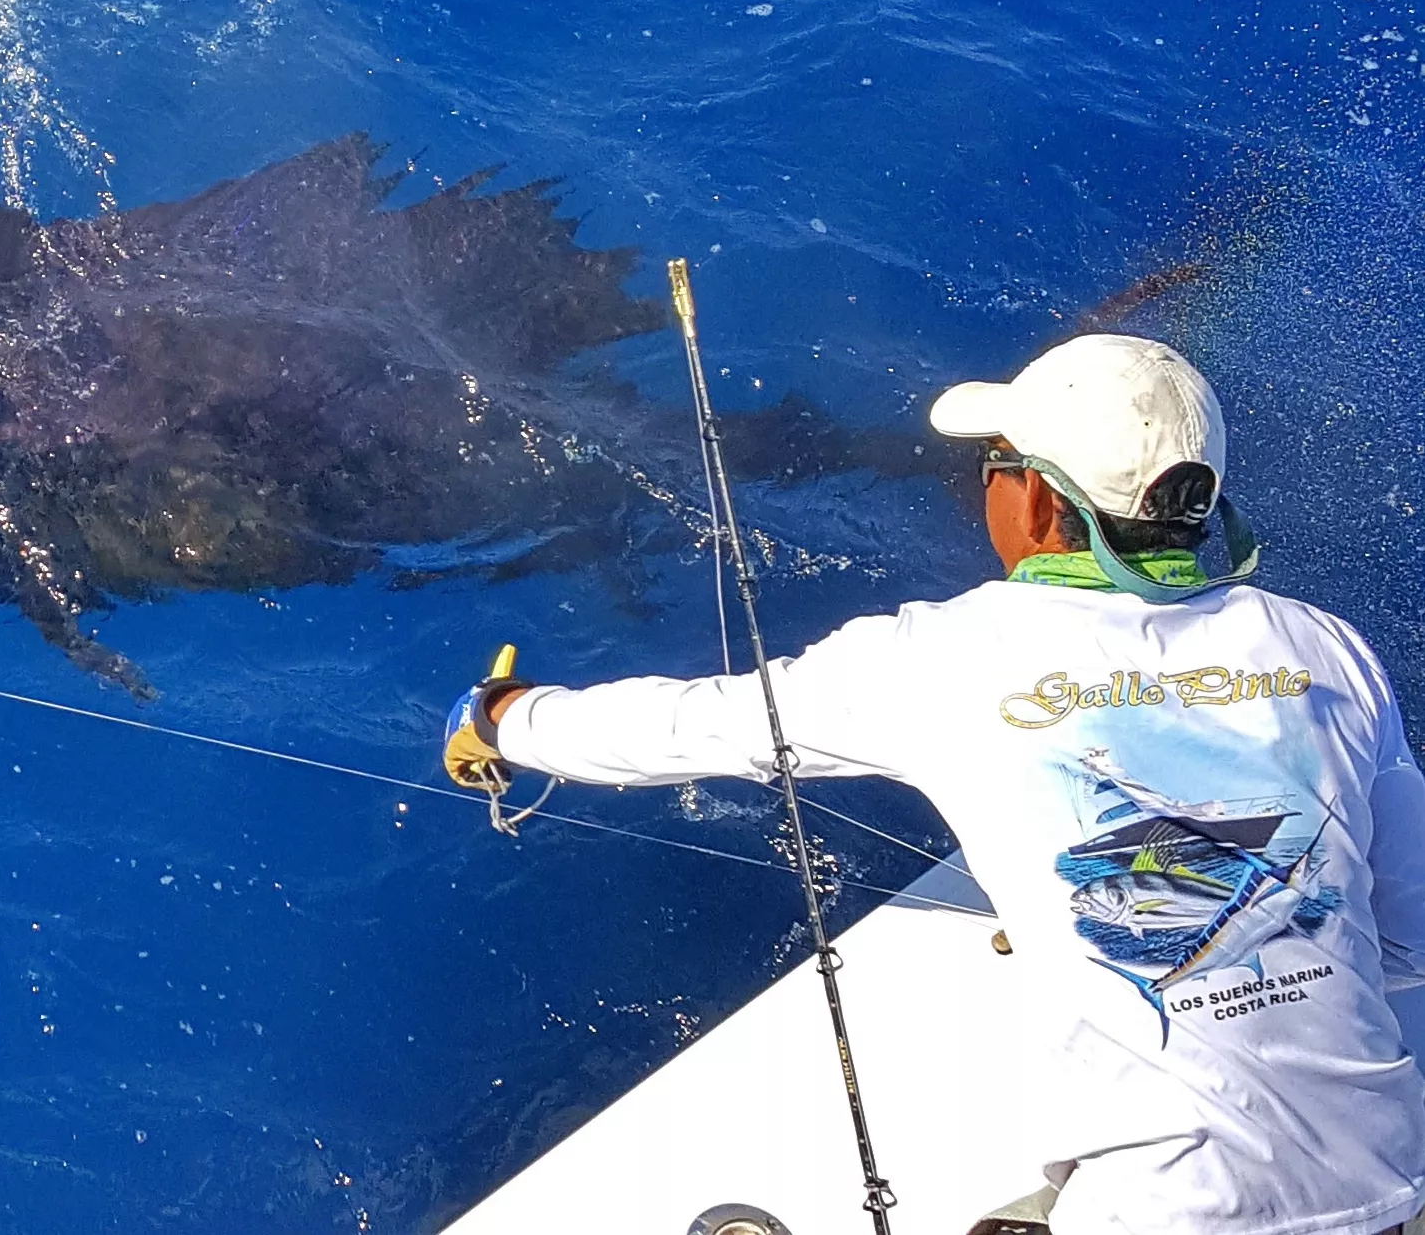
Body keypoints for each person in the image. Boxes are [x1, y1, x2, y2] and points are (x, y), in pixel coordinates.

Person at [443, 334, 1425, 1235]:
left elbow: (694, 724)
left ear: (1036, 503)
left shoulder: (939, 656)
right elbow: (1406, 934)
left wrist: (506, 719)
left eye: (994, 462)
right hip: (1392, 1180)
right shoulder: (1324, 644)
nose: (983, 481)